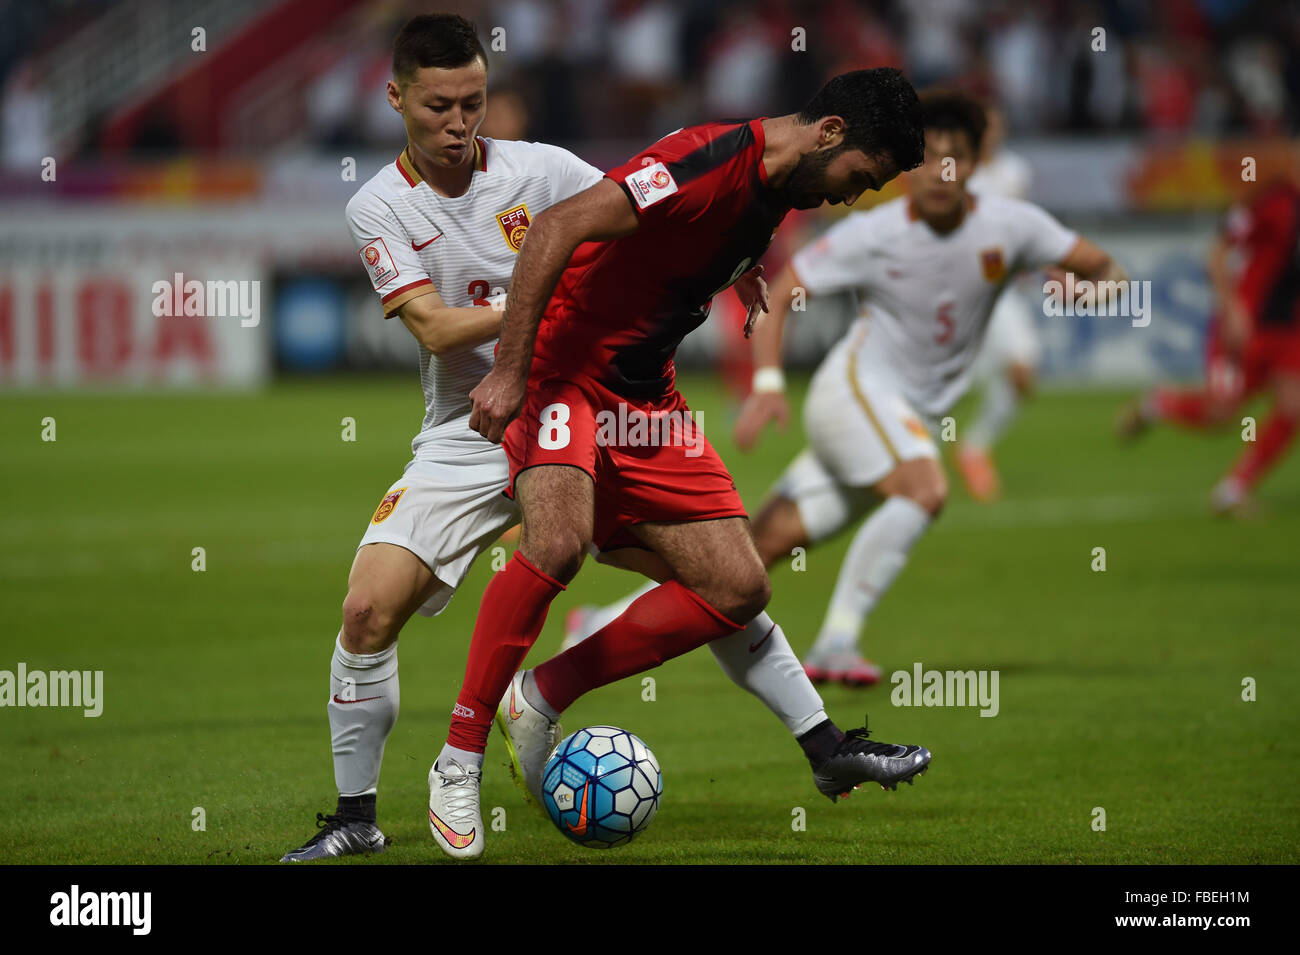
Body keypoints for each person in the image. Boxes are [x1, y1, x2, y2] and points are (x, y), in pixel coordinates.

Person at [434, 69, 935, 860]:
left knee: (738, 585)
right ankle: (458, 757)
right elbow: (557, 227)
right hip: (567, 368)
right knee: (557, 542)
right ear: (831, 133)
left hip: (647, 398)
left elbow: (694, 238)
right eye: (860, 179)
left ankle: (542, 694)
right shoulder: (705, 160)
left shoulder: (776, 185)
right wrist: (511, 368)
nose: (851, 195)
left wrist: (737, 264)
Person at [650, 90, 1122, 689]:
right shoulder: (874, 233)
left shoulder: (1012, 227)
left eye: (956, 160)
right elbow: (782, 295)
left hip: (900, 419)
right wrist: (768, 383)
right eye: (928, 160)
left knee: (751, 552)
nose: (940, 175)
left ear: (978, 166)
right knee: (924, 489)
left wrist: (1088, 291)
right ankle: (838, 642)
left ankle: (597, 624)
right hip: (854, 394)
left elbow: (1108, 271)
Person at [281, 13, 607, 862]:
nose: (460, 124)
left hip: (577, 410)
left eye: (474, 102)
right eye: (438, 107)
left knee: (719, 571)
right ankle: (356, 816)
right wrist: (536, 305)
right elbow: (432, 327)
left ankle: (816, 732)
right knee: (365, 610)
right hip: (467, 435)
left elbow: (651, 207)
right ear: (394, 98)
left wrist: (731, 248)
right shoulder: (379, 205)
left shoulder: (546, 169)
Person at [1116, 177, 1300, 514]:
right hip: (1246, 325)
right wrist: (1230, 307)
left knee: (1293, 405)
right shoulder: (1275, 202)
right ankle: (1158, 403)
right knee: (1222, 412)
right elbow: (1217, 252)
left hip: (1289, 331)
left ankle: (1233, 490)